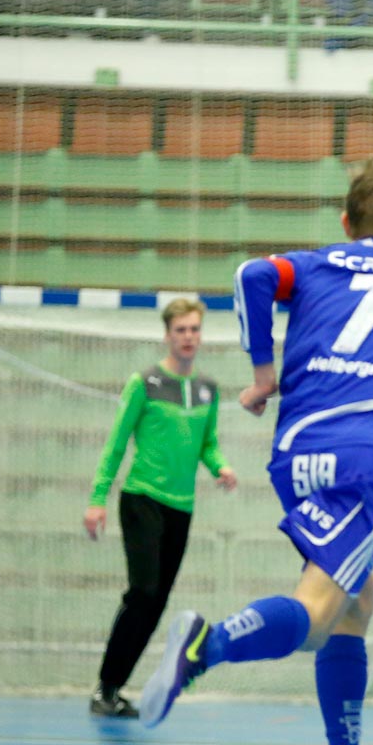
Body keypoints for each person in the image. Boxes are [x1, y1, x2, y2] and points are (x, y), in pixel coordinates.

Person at [137, 157, 373, 745]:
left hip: (294, 454)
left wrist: (263, 376)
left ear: (346, 224)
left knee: (355, 600)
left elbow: (253, 275)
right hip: (368, 461)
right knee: (317, 610)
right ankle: (208, 644)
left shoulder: (317, 264)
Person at [84, 298, 237, 719]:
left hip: (181, 509)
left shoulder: (208, 390)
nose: (189, 337)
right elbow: (116, 444)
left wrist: (220, 466)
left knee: (156, 602)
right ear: (168, 334)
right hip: (142, 500)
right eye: (181, 330)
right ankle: (105, 686)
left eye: (194, 330)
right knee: (143, 592)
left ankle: (113, 691)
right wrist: (98, 499)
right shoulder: (145, 383)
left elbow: (207, 442)